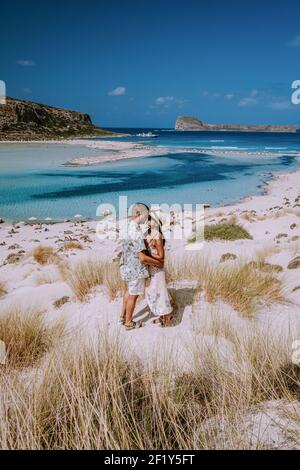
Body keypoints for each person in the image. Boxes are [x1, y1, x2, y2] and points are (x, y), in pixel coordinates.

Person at [119, 203, 163, 331]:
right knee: (134, 295)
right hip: (135, 268)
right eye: (146, 215)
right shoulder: (136, 231)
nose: (147, 217)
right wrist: (157, 262)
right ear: (139, 214)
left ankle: (122, 317)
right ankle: (128, 323)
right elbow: (142, 258)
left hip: (126, 265)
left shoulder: (128, 226)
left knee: (128, 291)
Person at [145, 213, 173, 327]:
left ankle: (167, 317)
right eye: (148, 220)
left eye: (151, 220)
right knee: (153, 291)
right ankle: (163, 316)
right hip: (151, 266)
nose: (148, 222)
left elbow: (161, 256)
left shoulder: (157, 235)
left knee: (160, 293)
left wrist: (147, 256)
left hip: (157, 267)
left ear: (156, 222)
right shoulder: (150, 234)